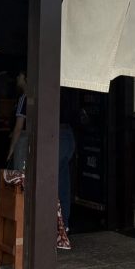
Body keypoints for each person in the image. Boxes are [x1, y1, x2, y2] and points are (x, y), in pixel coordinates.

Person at [58, 87, 80, 229]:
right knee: (63, 181)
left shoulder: (50, 88)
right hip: (67, 133)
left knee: (54, 181)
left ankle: (59, 224)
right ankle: (63, 223)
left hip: (57, 132)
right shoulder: (69, 90)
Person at [5, 72, 28, 170]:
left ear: (26, 78)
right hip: (33, 140)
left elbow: (18, 127)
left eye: (20, 75)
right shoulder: (36, 96)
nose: (17, 77)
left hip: (22, 140)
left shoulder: (24, 98)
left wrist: (11, 151)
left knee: (19, 173)